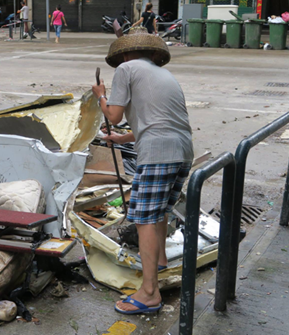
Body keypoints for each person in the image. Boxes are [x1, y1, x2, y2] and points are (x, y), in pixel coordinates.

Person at [92, 27, 194, 315]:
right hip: (182, 151)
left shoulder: (125, 69)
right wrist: (122, 138)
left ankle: (149, 292)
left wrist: (101, 95)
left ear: (124, 53)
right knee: (159, 211)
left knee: (145, 218)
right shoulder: (164, 75)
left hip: (158, 154)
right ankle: (159, 261)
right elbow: (158, 121)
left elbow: (114, 115)